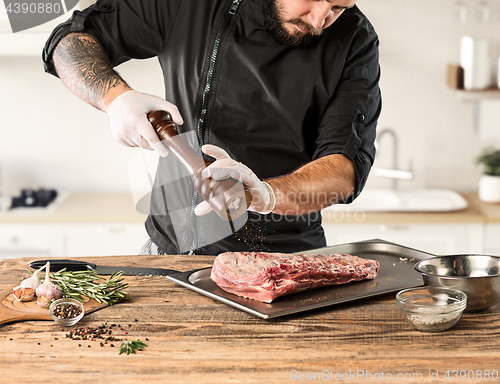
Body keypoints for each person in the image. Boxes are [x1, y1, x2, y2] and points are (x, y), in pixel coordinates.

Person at [42, 0, 381, 255]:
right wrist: (115, 98)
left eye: (338, 6)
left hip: (282, 259)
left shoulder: (354, 38)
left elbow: (344, 169)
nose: (320, 19)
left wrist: (264, 194)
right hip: (169, 253)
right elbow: (69, 41)